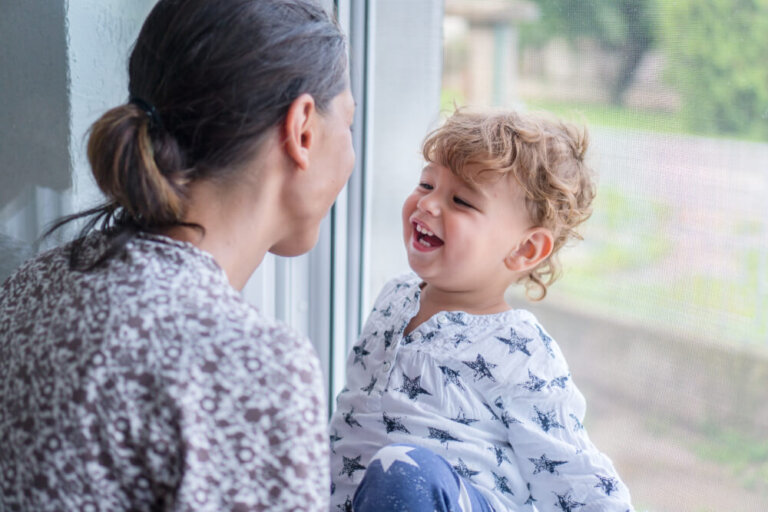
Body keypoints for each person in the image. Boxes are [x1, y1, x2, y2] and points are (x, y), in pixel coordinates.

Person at [0, 0, 354, 510]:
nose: (351, 153)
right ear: (303, 130)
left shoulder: (33, 283)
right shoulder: (247, 364)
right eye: (349, 124)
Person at [329, 109, 634, 511]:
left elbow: (576, 476)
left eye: (461, 201)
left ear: (525, 249)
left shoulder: (519, 350)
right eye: (426, 184)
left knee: (402, 470)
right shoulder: (395, 297)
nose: (427, 204)